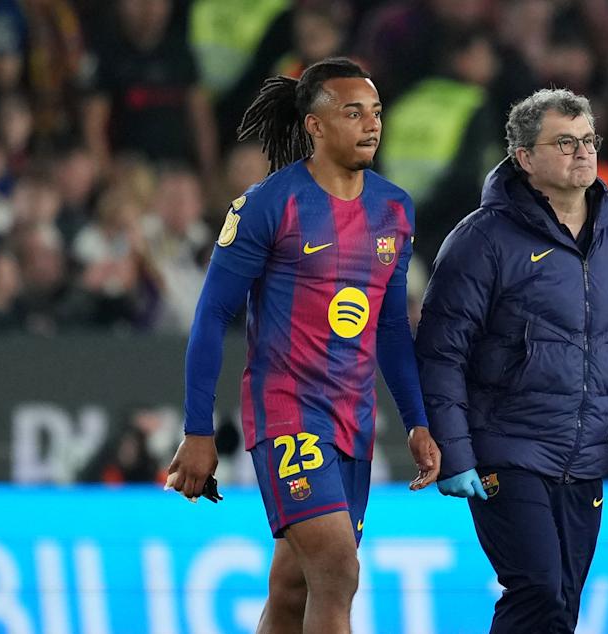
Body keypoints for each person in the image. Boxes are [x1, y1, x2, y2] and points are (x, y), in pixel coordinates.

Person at [164, 58, 440, 634]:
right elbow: (214, 314)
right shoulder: (270, 204)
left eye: (376, 112)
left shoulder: (394, 209)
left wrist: (417, 420)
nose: (371, 125)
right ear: (314, 126)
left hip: (353, 422)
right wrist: (197, 430)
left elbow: (389, 327)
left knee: (293, 591)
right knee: (338, 568)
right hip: (287, 412)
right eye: (352, 112)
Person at [415, 88, 608, 634]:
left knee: (562, 601)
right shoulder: (482, 240)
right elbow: (441, 351)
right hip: (506, 449)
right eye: (565, 142)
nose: (583, 152)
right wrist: (454, 450)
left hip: (586, 456)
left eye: (588, 140)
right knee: (538, 587)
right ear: (524, 157)